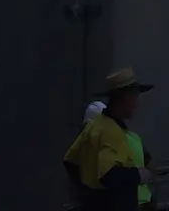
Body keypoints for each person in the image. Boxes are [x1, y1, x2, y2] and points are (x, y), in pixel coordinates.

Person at [65, 68, 154, 211]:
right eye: (135, 97)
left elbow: (70, 161)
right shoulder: (112, 132)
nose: (137, 105)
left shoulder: (94, 126)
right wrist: (139, 174)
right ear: (125, 97)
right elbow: (109, 175)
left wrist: (87, 194)